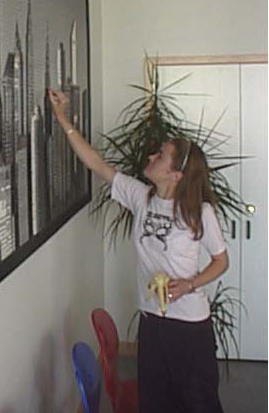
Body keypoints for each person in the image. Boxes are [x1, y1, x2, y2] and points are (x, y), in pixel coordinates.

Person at [48, 88, 229, 413]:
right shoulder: (140, 196)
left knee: (198, 404)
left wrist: (189, 284)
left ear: (176, 174)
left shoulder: (199, 212)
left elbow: (221, 261)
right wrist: (63, 118)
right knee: (155, 403)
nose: (150, 157)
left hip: (190, 327)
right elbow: (96, 163)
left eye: (160, 156)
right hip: (152, 322)